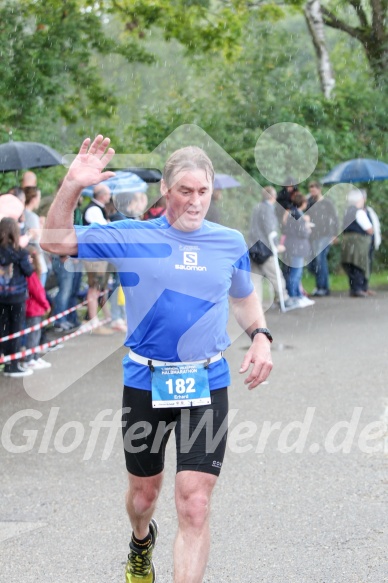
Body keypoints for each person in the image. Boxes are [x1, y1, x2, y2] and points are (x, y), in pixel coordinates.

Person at [41, 135, 273, 583]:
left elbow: (243, 299)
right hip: (147, 381)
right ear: (165, 190)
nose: (195, 200)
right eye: (185, 190)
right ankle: (141, 541)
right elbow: (55, 242)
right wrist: (72, 184)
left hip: (206, 382)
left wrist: (260, 335)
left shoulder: (228, 242)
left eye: (202, 191)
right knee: (144, 497)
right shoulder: (131, 235)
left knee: (195, 502)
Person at [248, 186, 297, 309]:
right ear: (273, 197)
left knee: (255, 277)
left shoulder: (256, 207)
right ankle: (284, 299)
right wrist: (276, 245)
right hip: (265, 248)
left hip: (253, 247)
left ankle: (255, 304)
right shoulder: (267, 209)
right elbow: (270, 229)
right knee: (276, 275)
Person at [0, 217, 33, 378]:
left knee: (2, 328)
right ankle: (12, 364)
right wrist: (29, 262)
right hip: (16, 296)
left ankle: (3, 359)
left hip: (1, 296)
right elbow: (28, 272)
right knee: (15, 330)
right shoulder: (20, 252)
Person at [82, 183, 113, 335]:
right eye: (108, 194)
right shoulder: (93, 209)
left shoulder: (98, 209)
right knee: (94, 287)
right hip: (93, 256)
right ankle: (93, 321)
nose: (109, 196)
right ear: (101, 195)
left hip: (98, 255)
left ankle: (103, 319)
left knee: (99, 287)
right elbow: (104, 230)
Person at [21, 247, 52, 371]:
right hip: (34, 309)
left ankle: (34, 356)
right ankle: (30, 359)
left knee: (35, 334)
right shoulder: (31, 275)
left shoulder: (29, 274)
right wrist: (46, 305)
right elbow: (38, 292)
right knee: (33, 335)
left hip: (33, 308)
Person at [306, 181, 339, 297]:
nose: (312, 192)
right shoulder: (309, 202)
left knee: (320, 259)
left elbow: (334, 218)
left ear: (319, 189)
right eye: (311, 190)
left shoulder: (327, 203)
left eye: (314, 190)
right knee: (316, 262)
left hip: (325, 235)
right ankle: (321, 286)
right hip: (313, 236)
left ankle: (323, 287)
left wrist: (335, 234)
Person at [283, 193, 315, 308]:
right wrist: (307, 228)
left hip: (291, 246)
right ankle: (294, 296)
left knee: (293, 272)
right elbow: (302, 232)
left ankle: (297, 295)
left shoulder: (291, 213)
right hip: (297, 248)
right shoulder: (299, 215)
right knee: (295, 273)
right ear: (303, 203)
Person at [341, 190, 373, 298]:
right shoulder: (359, 212)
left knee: (351, 265)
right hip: (358, 242)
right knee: (359, 264)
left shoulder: (346, 211)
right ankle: (359, 288)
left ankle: (354, 288)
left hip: (347, 241)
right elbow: (369, 229)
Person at [23, 186, 48, 287]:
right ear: (33, 199)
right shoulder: (32, 217)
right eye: (39, 197)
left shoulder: (22, 214)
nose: (39, 200)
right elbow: (39, 239)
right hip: (36, 258)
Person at [362, 189, 381, 295]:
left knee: (368, 264)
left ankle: (365, 286)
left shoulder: (369, 211)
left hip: (370, 242)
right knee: (361, 264)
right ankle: (361, 287)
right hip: (361, 242)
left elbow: (375, 226)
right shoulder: (355, 211)